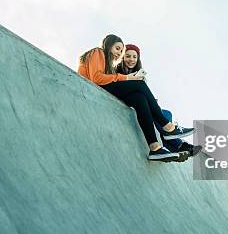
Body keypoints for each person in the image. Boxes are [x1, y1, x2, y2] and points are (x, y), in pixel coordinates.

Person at [78, 34, 193, 162]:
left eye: (121, 51)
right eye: (117, 49)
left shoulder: (107, 64)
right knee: (140, 84)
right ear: (108, 45)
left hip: (103, 90)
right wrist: (126, 78)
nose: (119, 53)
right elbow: (96, 78)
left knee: (140, 99)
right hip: (94, 88)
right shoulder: (98, 52)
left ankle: (155, 148)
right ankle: (168, 127)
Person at [116, 43, 201, 157]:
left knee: (166, 113)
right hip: (131, 102)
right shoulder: (117, 71)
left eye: (134, 57)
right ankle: (176, 143)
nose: (131, 59)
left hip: (141, 103)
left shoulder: (139, 74)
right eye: (128, 56)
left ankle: (172, 142)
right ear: (122, 57)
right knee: (159, 115)